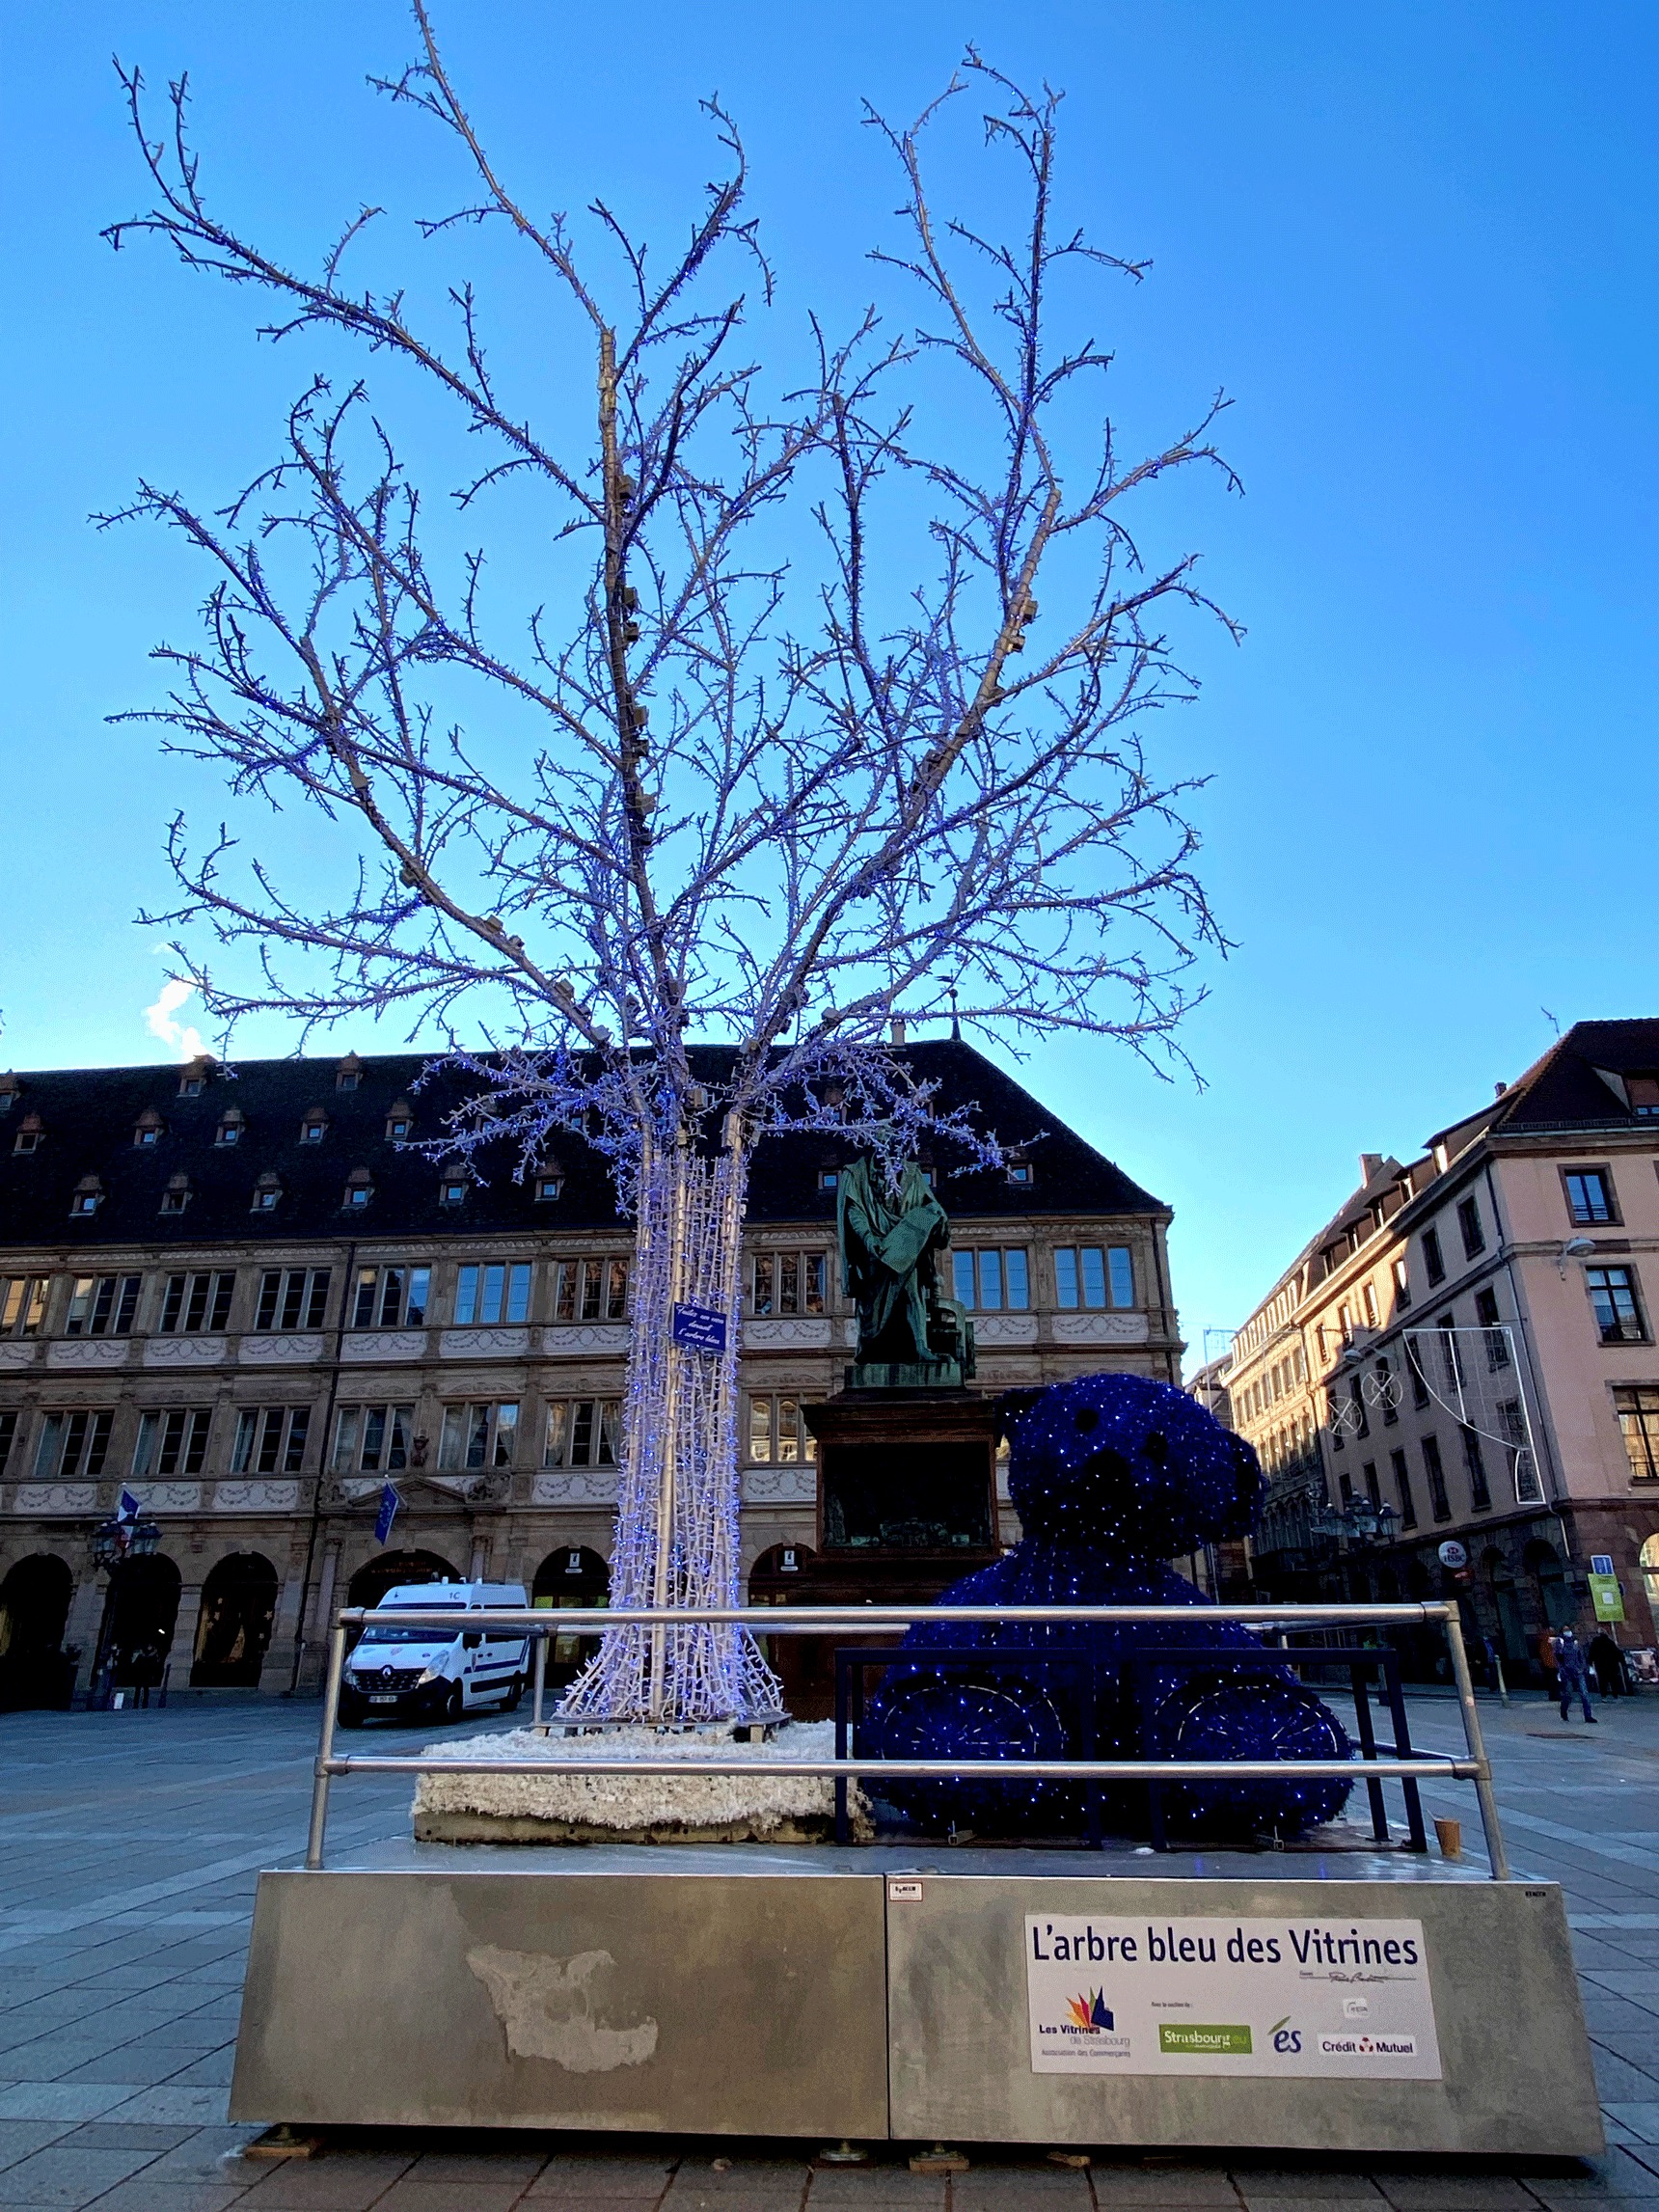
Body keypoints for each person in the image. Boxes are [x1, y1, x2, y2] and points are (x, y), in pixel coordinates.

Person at [1551, 1626, 1595, 1723]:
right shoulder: (1560, 1642)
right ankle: (1563, 1711)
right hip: (1567, 1673)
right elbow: (1558, 1657)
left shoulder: (1575, 1642)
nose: (1568, 1632)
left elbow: (1581, 1656)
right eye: (1565, 1630)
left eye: (1568, 1630)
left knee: (1584, 1694)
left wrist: (1582, 1668)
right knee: (1568, 1695)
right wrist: (1561, 1670)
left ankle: (1588, 1716)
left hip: (1578, 1672)